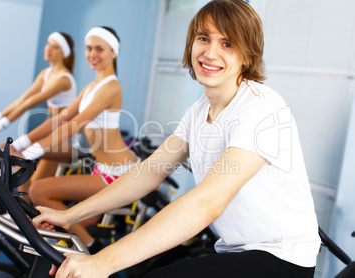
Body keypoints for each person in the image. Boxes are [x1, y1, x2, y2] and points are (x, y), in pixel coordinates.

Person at [32, 1, 321, 277]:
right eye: (204, 38)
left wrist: (102, 263)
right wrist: (70, 216)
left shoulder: (261, 108)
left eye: (228, 43)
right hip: (235, 250)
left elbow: (207, 202)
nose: (210, 53)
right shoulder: (198, 111)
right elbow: (148, 172)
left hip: (281, 259)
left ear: (247, 55)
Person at [16, 26, 139, 246]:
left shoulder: (112, 86)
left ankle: (93, 251)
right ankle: (83, 247)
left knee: (39, 191)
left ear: (113, 52)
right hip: (102, 169)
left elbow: (74, 125)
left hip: (119, 174)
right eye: (89, 48)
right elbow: (61, 118)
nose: (92, 54)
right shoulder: (92, 86)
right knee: (78, 224)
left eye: (99, 49)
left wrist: (32, 151)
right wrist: (21, 144)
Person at [0, 31, 77, 134]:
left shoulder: (64, 79)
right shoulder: (45, 73)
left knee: (27, 148)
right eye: (48, 43)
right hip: (53, 120)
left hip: (68, 127)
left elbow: (29, 103)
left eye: (55, 47)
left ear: (64, 53)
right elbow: (23, 99)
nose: (48, 49)